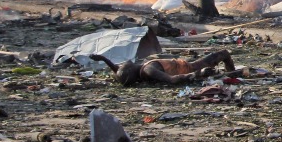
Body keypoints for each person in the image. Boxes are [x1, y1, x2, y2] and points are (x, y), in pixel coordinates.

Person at [89, 50, 237, 86]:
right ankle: (234, 75)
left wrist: (103, 59)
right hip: (191, 68)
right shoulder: (149, 69)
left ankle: (232, 75)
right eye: (123, 66)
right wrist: (198, 74)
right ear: (131, 69)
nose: (123, 64)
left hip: (184, 64)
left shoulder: (143, 69)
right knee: (223, 54)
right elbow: (172, 79)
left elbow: (118, 70)